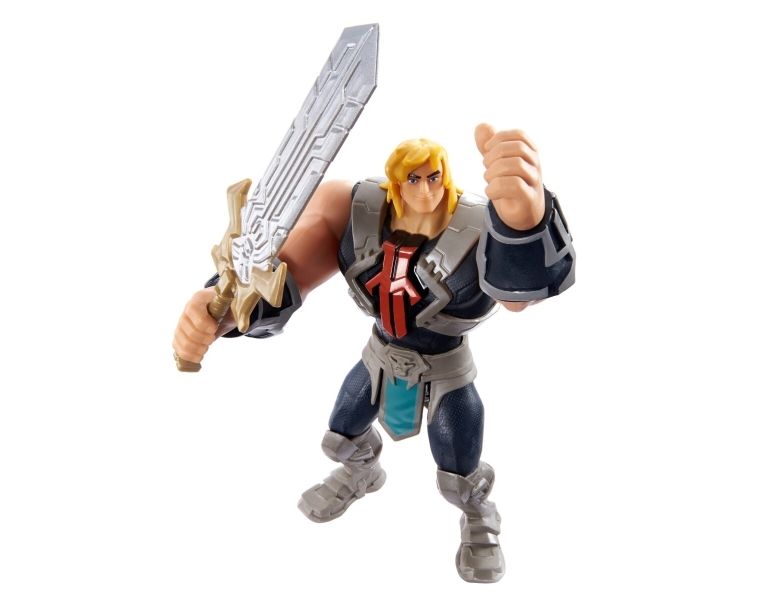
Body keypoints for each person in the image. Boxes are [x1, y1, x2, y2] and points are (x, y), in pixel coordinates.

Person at [173, 124, 576, 583]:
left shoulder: (483, 227)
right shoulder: (349, 209)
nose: (424, 189)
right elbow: (282, 280)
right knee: (341, 435)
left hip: (445, 369)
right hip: (379, 355)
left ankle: (479, 513)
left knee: (458, 469)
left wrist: (523, 222)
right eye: (413, 179)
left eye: (434, 177)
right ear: (395, 182)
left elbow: (519, 296)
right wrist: (222, 309)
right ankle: (362, 473)